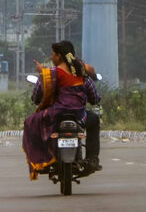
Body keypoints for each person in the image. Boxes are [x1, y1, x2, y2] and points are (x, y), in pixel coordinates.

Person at [21, 40, 102, 180]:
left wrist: (41, 76)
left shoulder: (49, 75)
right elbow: (94, 98)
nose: (51, 57)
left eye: (52, 54)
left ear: (59, 56)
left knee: (31, 123)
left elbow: (35, 97)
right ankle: (92, 159)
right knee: (94, 120)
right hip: (79, 116)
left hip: (55, 115)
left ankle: (44, 159)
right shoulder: (82, 74)